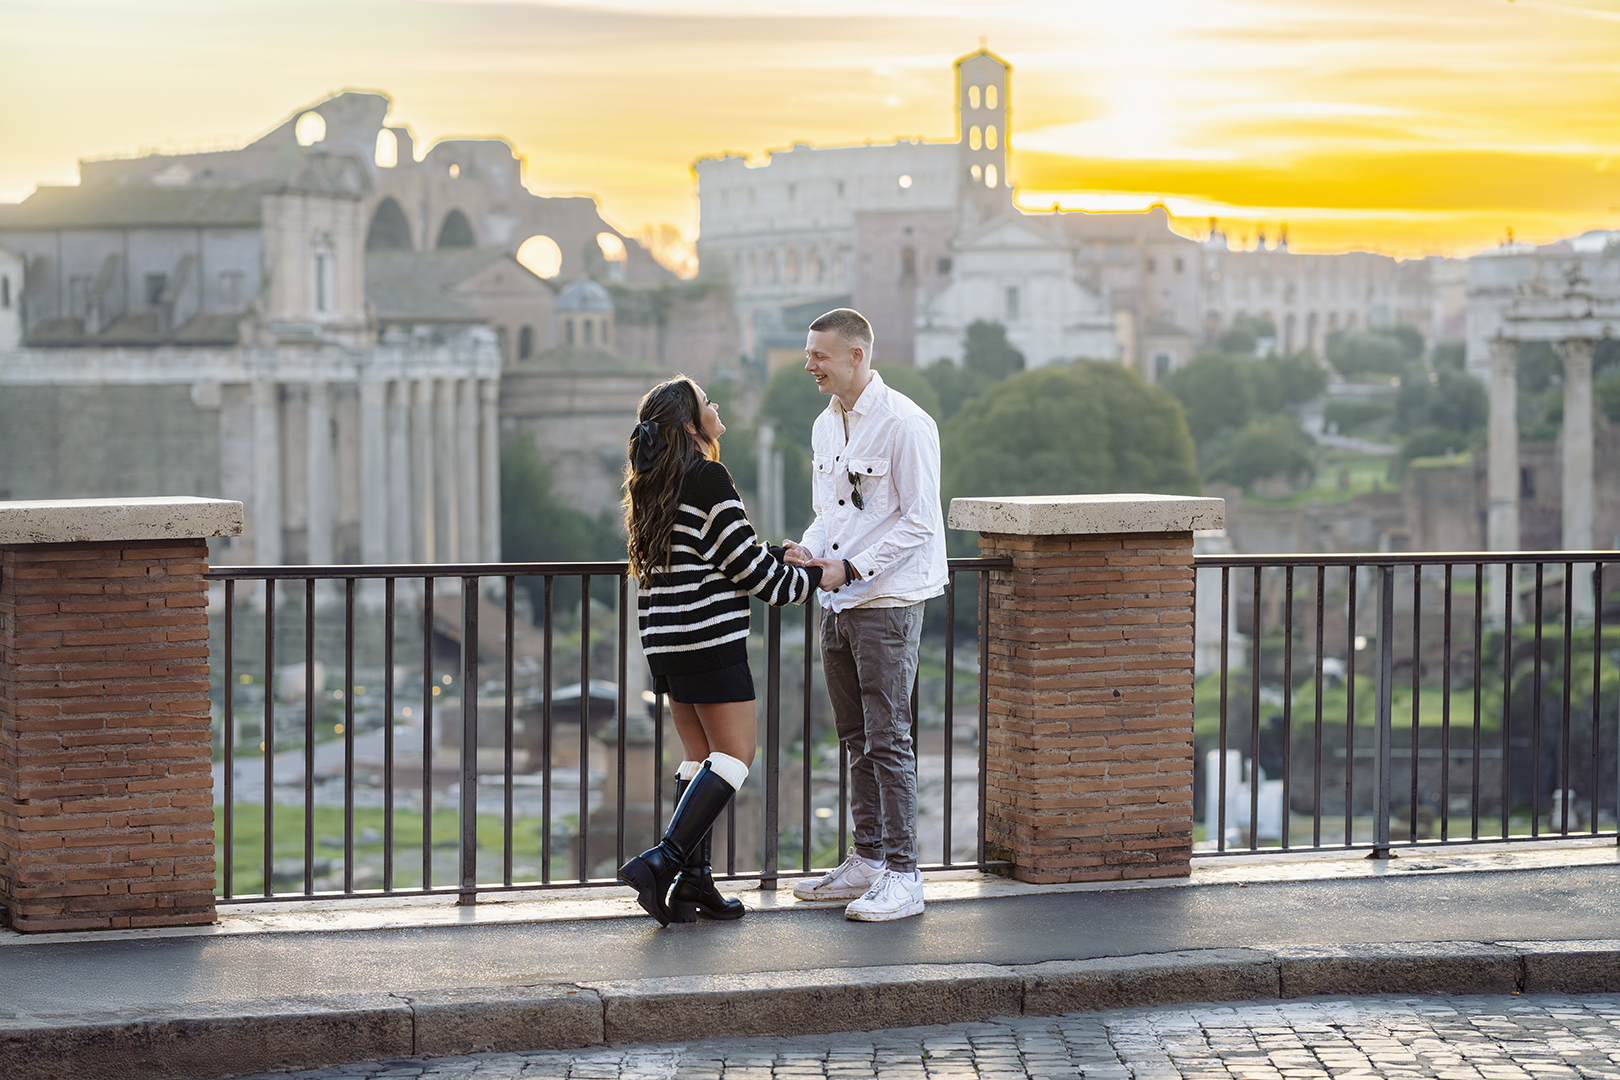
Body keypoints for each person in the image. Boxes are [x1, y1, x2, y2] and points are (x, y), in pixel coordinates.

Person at [617, 375, 834, 927]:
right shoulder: (708, 476)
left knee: (698, 760)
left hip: (665, 640)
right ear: (692, 424)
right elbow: (751, 574)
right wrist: (811, 579)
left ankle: (694, 884)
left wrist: (768, 552)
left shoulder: (652, 481)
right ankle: (662, 861)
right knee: (737, 757)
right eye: (708, 402)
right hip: (709, 639)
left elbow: (706, 552)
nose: (717, 406)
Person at [782, 308, 948, 922]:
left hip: (887, 601)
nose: (809, 366)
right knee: (855, 738)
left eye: (819, 356)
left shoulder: (906, 423)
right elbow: (832, 512)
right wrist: (811, 551)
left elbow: (921, 522)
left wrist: (851, 569)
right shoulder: (827, 426)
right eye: (809, 354)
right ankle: (869, 860)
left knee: (889, 738)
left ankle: (904, 876)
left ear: (857, 356)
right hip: (839, 599)